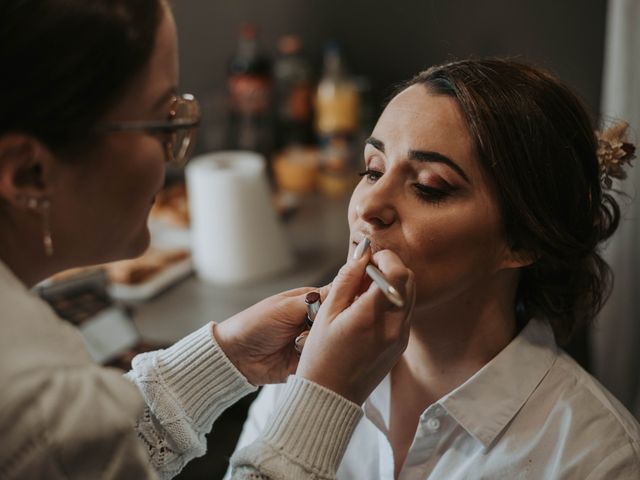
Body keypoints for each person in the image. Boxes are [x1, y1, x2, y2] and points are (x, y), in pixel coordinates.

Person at [0, 1, 415, 479]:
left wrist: (226, 356)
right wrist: (325, 398)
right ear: (29, 173)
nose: (366, 207)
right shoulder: (36, 396)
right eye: (163, 124)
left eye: (430, 187)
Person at [228, 58, 640, 479]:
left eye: (428, 187)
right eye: (372, 170)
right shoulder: (307, 371)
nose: (367, 207)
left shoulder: (598, 459)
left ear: (522, 241)